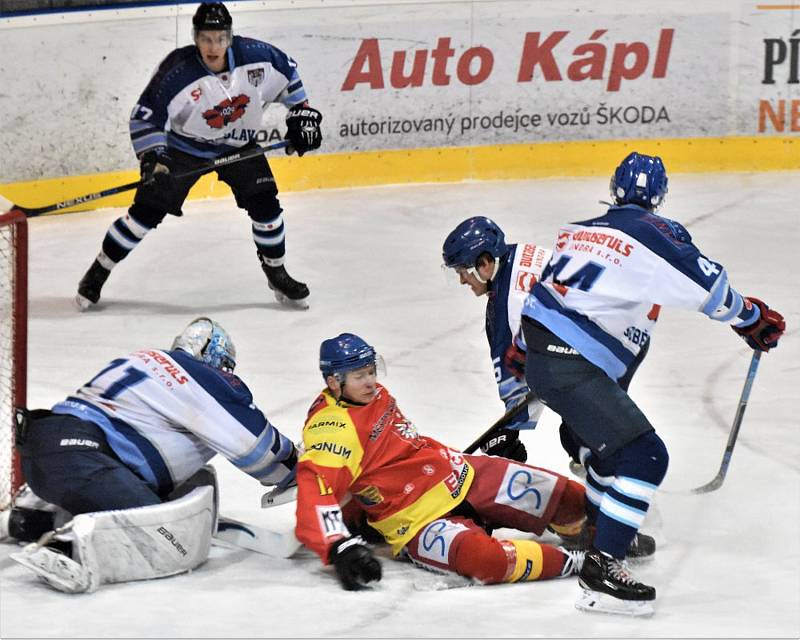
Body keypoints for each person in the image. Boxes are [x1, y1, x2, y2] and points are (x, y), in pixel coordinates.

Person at [519, 151, 785, 616]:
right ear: (660, 197)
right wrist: (751, 317)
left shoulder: (577, 230)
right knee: (647, 455)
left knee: (610, 451)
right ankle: (603, 568)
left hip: (547, 359)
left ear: (614, 188)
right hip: (571, 363)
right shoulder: (652, 233)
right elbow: (708, 286)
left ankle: (601, 529)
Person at [6, 317, 299, 593]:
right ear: (216, 358)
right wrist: (300, 467)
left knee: (147, 492)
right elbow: (258, 451)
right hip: (84, 459)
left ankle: (30, 518)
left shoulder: (144, 358)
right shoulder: (204, 377)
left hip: (41, 451)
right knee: (166, 538)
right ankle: (68, 547)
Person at [293, 332, 589, 592]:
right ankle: (582, 564)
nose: (371, 382)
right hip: (418, 520)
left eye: (372, 371)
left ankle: (590, 533)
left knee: (570, 498)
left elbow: (392, 451)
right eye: (360, 376)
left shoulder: (370, 395)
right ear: (334, 382)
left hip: (462, 474)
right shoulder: (333, 429)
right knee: (487, 562)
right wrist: (337, 545)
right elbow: (315, 488)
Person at [75, 2, 322, 311]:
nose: (213, 46)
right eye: (206, 38)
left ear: (230, 37)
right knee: (144, 215)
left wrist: (303, 117)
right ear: (195, 38)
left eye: (219, 38)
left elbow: (291, 81)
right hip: (184, 149)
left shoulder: (258, 57)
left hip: (238, 147)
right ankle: (99, 270)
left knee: (266, 207)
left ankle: (276, 272)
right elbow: (144, 118)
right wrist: (153, 157)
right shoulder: (177, 71)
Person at [441, 217, 656, 560]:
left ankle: (612, 529)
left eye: (463, 270)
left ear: (484, 263)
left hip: (592, 350)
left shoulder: (505, 308)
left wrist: (510, 434)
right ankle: (611, 482)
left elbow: (523, 378)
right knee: (584, 430)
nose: (461, 279)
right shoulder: (523, 253)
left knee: (583, 431)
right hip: (623, 333)